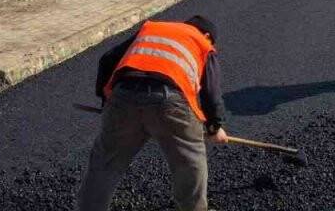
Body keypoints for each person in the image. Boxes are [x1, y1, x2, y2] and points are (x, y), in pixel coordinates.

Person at [76, 15, 227, 211]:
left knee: (105, 164)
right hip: (169, 101)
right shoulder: (202, 43)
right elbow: (211, 91)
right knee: (190, 163)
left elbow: (107, 59)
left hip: (123, 96)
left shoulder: (151, 29)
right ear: (207, 35)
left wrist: (107, 102)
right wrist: (215, 126)